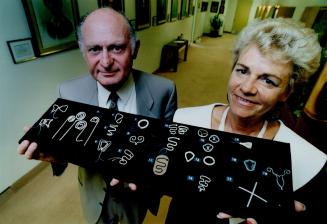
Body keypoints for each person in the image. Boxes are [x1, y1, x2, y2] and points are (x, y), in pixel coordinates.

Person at [18, 7, 177, 224]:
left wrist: (147, 173)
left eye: (117, 48)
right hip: (94, 199)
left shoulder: (164, 90)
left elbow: (167, 149)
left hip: (137, 199)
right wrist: (56, 156)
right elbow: (68, 148)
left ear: (135, 48)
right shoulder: (68, 93)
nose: (105, 61)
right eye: (94, 49)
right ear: (83, 52)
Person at [171, 18, 326, 224]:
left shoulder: (301, 157)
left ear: (286, 92)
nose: (246, 87)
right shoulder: (185, 120)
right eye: (242, 71)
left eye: (268, 80)